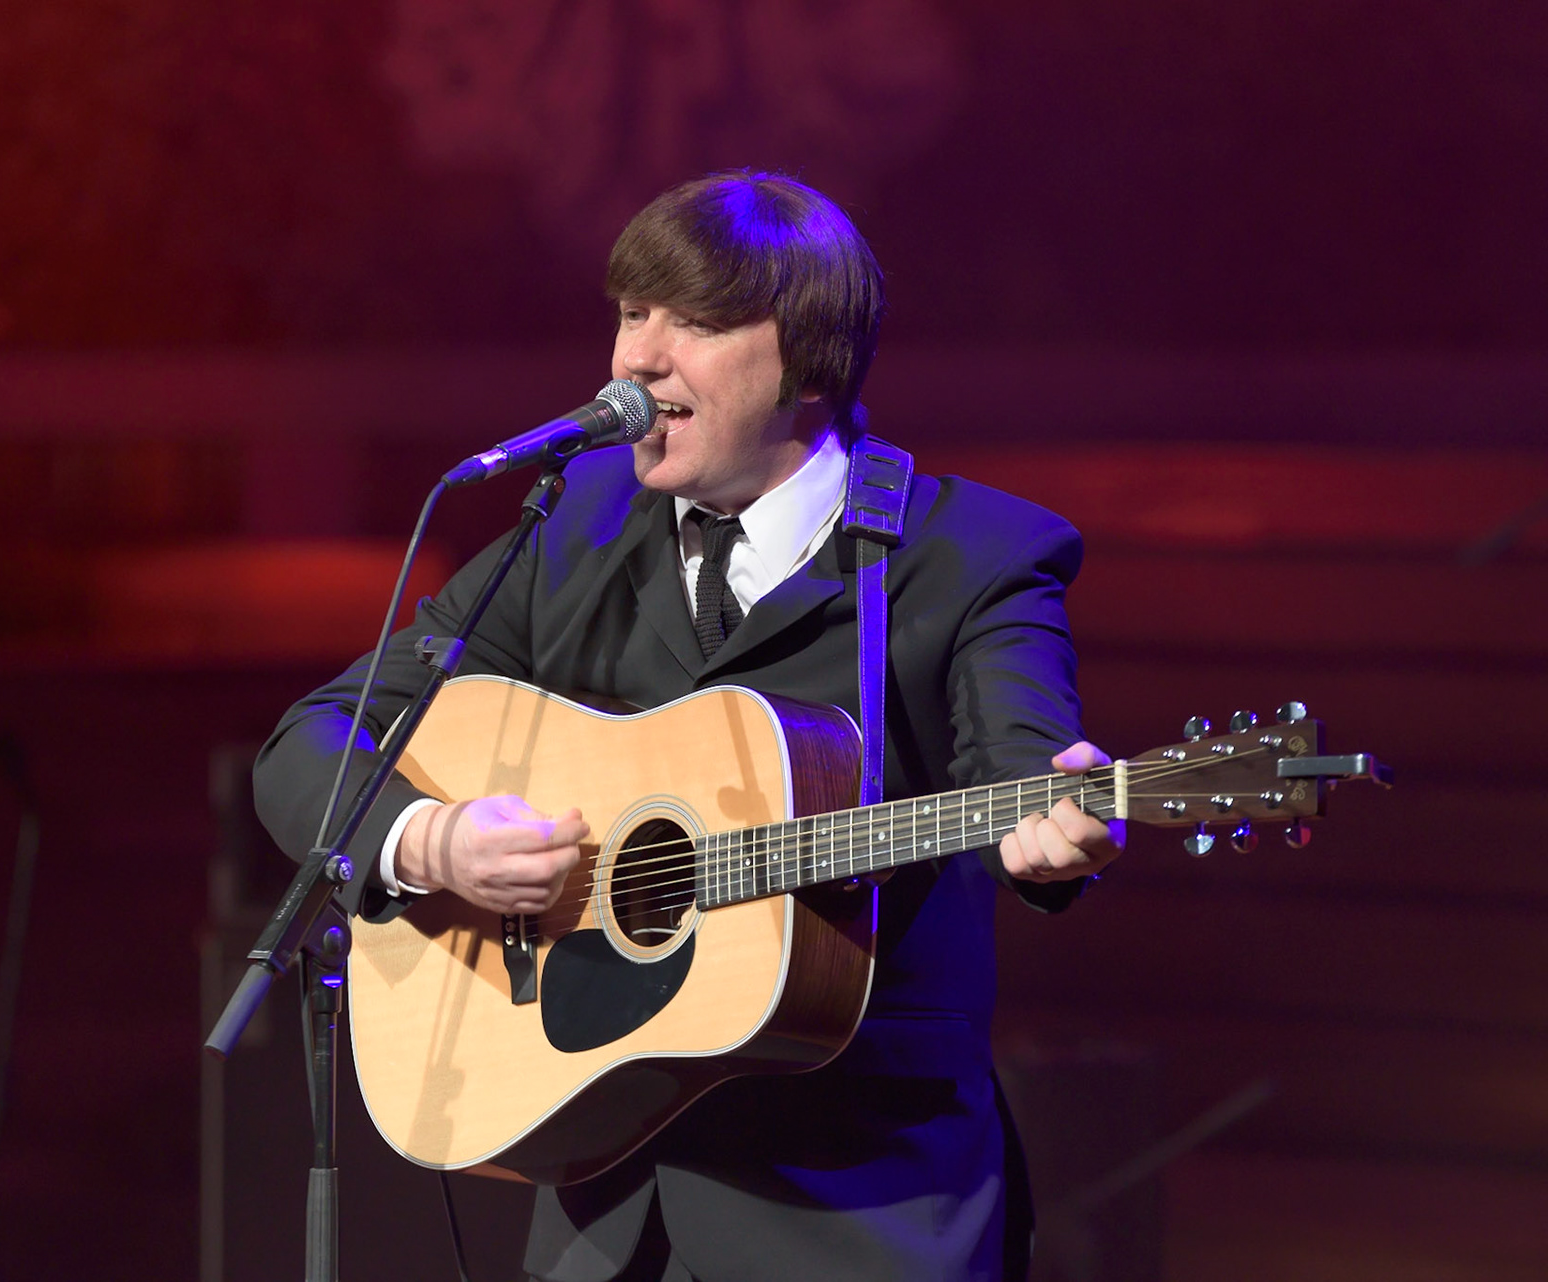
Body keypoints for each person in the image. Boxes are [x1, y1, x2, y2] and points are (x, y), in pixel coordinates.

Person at [255, 170, 1123, 1282]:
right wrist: (432, 840)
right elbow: (314, 741)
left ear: (809, 362)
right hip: (601, 1202)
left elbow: (1026, 775)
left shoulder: (972, 556)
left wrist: (1057, 832)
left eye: (698, 323)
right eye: (630, 313)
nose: (636, 360)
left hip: (860, 1211)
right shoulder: (575, 527)